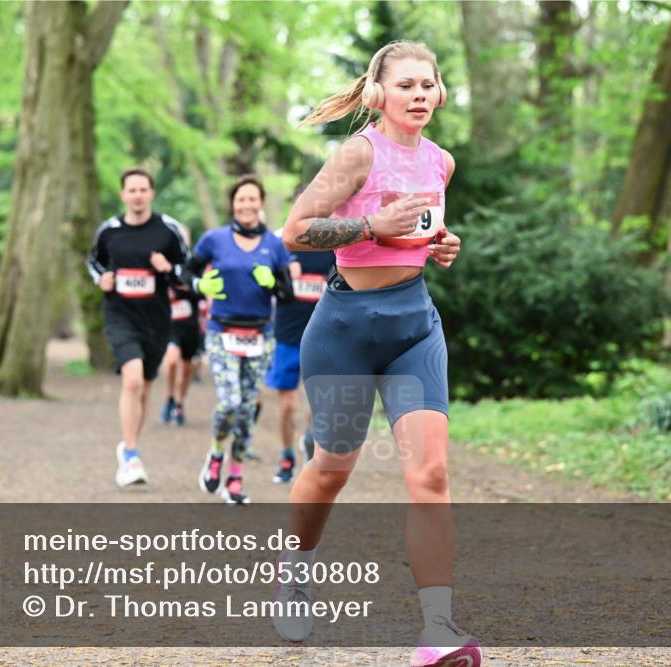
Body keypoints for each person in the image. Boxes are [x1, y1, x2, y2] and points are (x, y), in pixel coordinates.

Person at [272, 41, 480, 667]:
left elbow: (419, 232)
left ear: (440, 93)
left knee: (431, 475)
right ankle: (294, 570)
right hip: (344, 331)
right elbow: (295, 231)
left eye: (429, 84)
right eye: (407, 84)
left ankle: (436, 628)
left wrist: (439, 243)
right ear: (379, 94)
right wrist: (370, 229)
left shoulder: (441, 162)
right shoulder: (357, 153)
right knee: (332, 471)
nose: (419, 94)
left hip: (414, 327)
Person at [177, 175, 294, 505]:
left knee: (245, 408)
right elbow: (185, 274)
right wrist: (202, 287)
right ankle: (216, 453)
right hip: (222, 331)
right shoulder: (214, 240)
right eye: (240, 199)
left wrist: (272, 282)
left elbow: (287, 294)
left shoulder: (274, 244)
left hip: (259, 334)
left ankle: (236, 477)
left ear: (260, 203)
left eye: (252, 199)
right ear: (233, 204)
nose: (246, 205)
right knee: (229, 402)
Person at [86, 167, 189, 488]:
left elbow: (187, 271)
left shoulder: (168, 230)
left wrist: (167, 269)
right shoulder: (109, 231)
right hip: (120, 315)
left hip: (156, 319)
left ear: (151, 193)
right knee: (131, 381)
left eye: (143, 189)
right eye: (132, 190)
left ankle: (129, 446)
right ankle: (131, 454)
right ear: (123, 195)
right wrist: (101, 279)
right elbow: (93, 262)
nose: (138, 195)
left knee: (143, 387)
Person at [266, 226, 335, 483]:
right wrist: (282, 273)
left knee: (319, 402)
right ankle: (286, 457)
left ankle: (309, 440)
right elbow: (261, 279)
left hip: (322, 336)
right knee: (287, 405)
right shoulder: (282, 245)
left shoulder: (334, 245)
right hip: (287, 336)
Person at [160, 221, 200, 426]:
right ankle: (168, 396)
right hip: (170, 324)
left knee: (187, 368)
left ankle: (179, 402)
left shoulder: (194, 263)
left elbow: (201, 290)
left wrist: (184, 290)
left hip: (190, 325)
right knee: (171, 361)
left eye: (185, 237)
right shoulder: (164, 263)